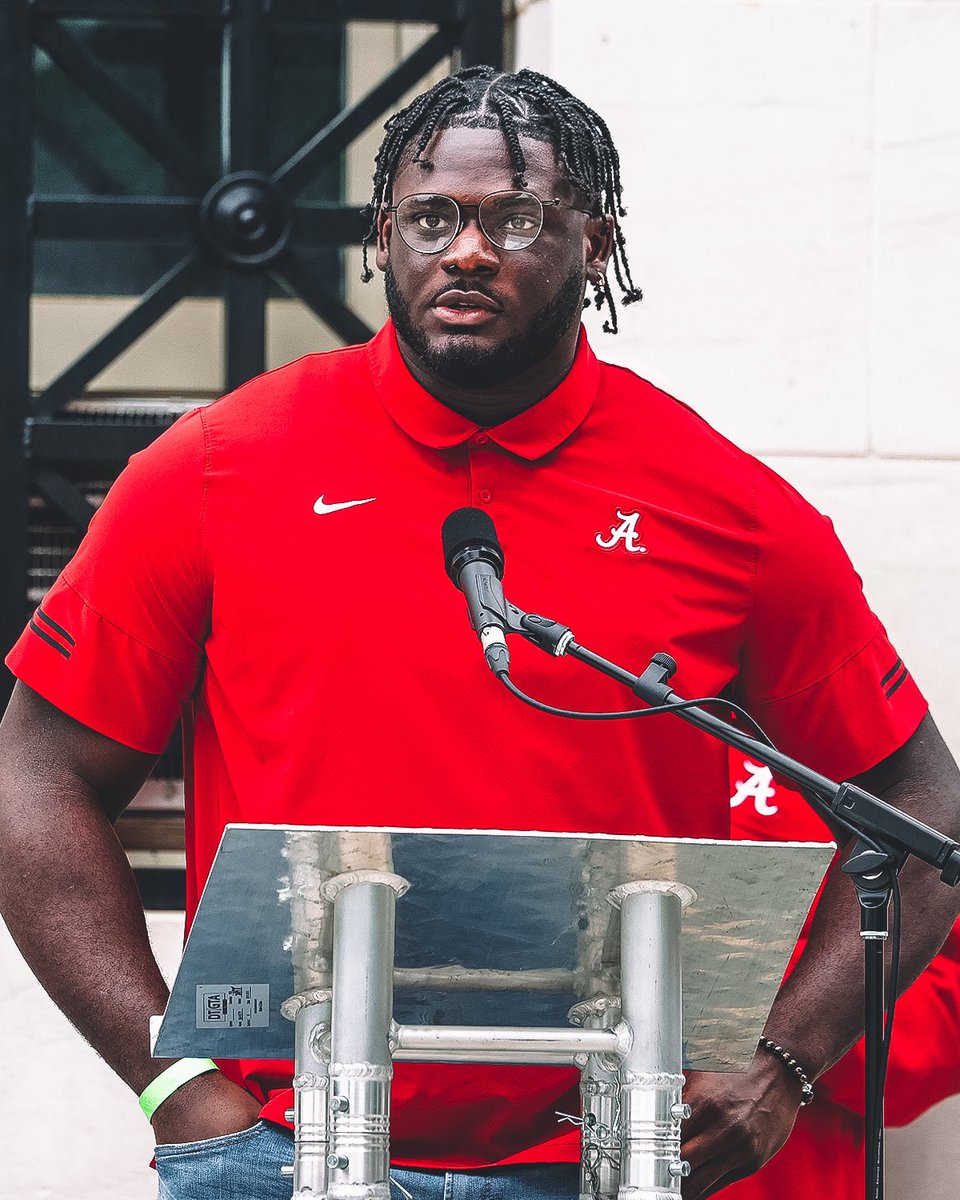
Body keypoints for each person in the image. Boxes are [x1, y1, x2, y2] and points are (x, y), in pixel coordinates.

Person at [1, 66, 958, 1200]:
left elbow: (918, 805)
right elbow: (38, 771)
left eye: (518, 218)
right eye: (431, 216)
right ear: (382, 237)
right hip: (281, 1151)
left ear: (595, 243)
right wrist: (175, 1082)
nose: (466, 250)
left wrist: (788, 1057)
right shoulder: (216, 468)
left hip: (611, 1161)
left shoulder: (724, 507)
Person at [725, 753, 960, 1200]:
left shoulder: (865, 759)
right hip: (568, 1151)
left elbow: (944, 1018)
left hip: (785, 1177)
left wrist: (763, 992)